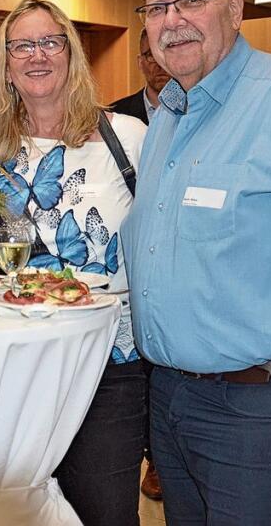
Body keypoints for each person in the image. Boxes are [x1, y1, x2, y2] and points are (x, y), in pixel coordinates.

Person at [121, 0, 271, 525]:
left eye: (191, 0)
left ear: (235, 8)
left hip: (259, 411)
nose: (173, 22)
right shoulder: (168, 115)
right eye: (157, 9)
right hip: (169, 399)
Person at [0, 0, 148, 526]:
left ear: (71, 55)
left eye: (50, 42)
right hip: (20, 368)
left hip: (110, 367)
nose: (37, 55)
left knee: (105, 510)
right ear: (6, 66)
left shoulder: (128, 137)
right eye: (22, 45)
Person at [110, 26, 171, 503]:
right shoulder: (117, 120)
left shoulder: (194, 109)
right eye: (145, 55)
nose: (154, 62)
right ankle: (155, 456)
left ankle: (159, 457)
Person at [110, 27, 171, 125]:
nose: (160, 64)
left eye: (166, 53)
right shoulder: (114, 115)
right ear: (140, 63)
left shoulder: (197, 108)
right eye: (151, 55)